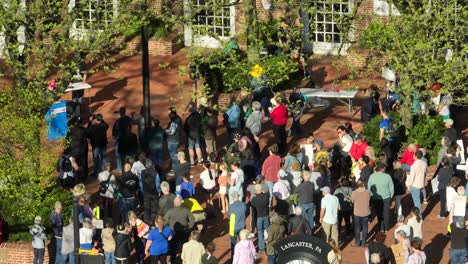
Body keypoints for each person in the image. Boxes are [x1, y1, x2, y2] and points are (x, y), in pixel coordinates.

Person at [165, 196, 195, 263]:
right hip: (183, 231)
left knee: (173, 248)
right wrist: (188, 228)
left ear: (174, 203)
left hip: (173, 232)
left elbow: (164, 221)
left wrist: (167, 228)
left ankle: (173, 261)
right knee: (185, 246)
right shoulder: (186, 210)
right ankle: (186, 260)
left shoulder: (170, 211)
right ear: (181, 203)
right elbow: (192, 220)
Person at [367, 163, 394, 232]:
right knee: (386, 212)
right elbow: (391, 187)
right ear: (383, 169)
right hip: (386, 197)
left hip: (376, 198)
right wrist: (391, 196)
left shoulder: (372, 176)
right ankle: (386, 228)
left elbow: (368, 187)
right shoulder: (387, 176)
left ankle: (381, 228)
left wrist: (371, 196)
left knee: (379, 213)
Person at [406, 150, 427, 215]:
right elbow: (425, 173)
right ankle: (418, 214)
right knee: (418, 200)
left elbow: (412, 177)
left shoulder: (413, 166)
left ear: (415, 156)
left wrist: (408, 185)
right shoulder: (424, 163)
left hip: (415, 185)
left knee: (417, 202)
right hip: (421, 183)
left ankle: (419, 216)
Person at [250, 184, 270, 252]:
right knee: (267, 230)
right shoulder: (266, 197)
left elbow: (253, 212)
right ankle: (268, 244)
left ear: (256, 190)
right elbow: (267, 193)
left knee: (260, 232)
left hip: (259, 217)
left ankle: (262, 247)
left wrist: (252, 226)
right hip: (266, 216)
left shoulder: (254, 200)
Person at [351, 180, 371, 247]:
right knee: (365, 227)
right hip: (365, 212)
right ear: (363, 184)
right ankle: (364, 242)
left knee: (357, 228)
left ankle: (357, 243)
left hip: (357, 212)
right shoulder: (368, 192)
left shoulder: (354, 192)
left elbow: (352, 201)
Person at [141, 160, 162, 224]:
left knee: (146, 208)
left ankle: (146, 222)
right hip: (154, 193)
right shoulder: (155, 173)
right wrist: (159, 191)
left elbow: (141, 182)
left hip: (146, 193)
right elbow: (157, 184)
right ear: (152, 165)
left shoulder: (142, 172)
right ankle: (153, 222)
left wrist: (143, 190)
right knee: (154, 208)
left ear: (146, 165)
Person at [112, 107, 132, 172]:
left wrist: (115, 140)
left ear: (120, 113)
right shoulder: (129, 119)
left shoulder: (118, 121)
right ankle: (127, 169)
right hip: (128, 139)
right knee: (127, 155)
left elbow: (114, 132)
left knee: (118, 155)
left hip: (120, 140)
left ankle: (120, 169)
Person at [228, 191, 246, 257]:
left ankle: (234, 257)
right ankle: (243, 256)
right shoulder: (243, 205)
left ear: (233, 197)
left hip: (233, 227)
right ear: (238, 197)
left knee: (233, 243)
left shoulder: (231, 206)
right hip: (242, 226)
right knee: (243, 242)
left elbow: (228, 216)